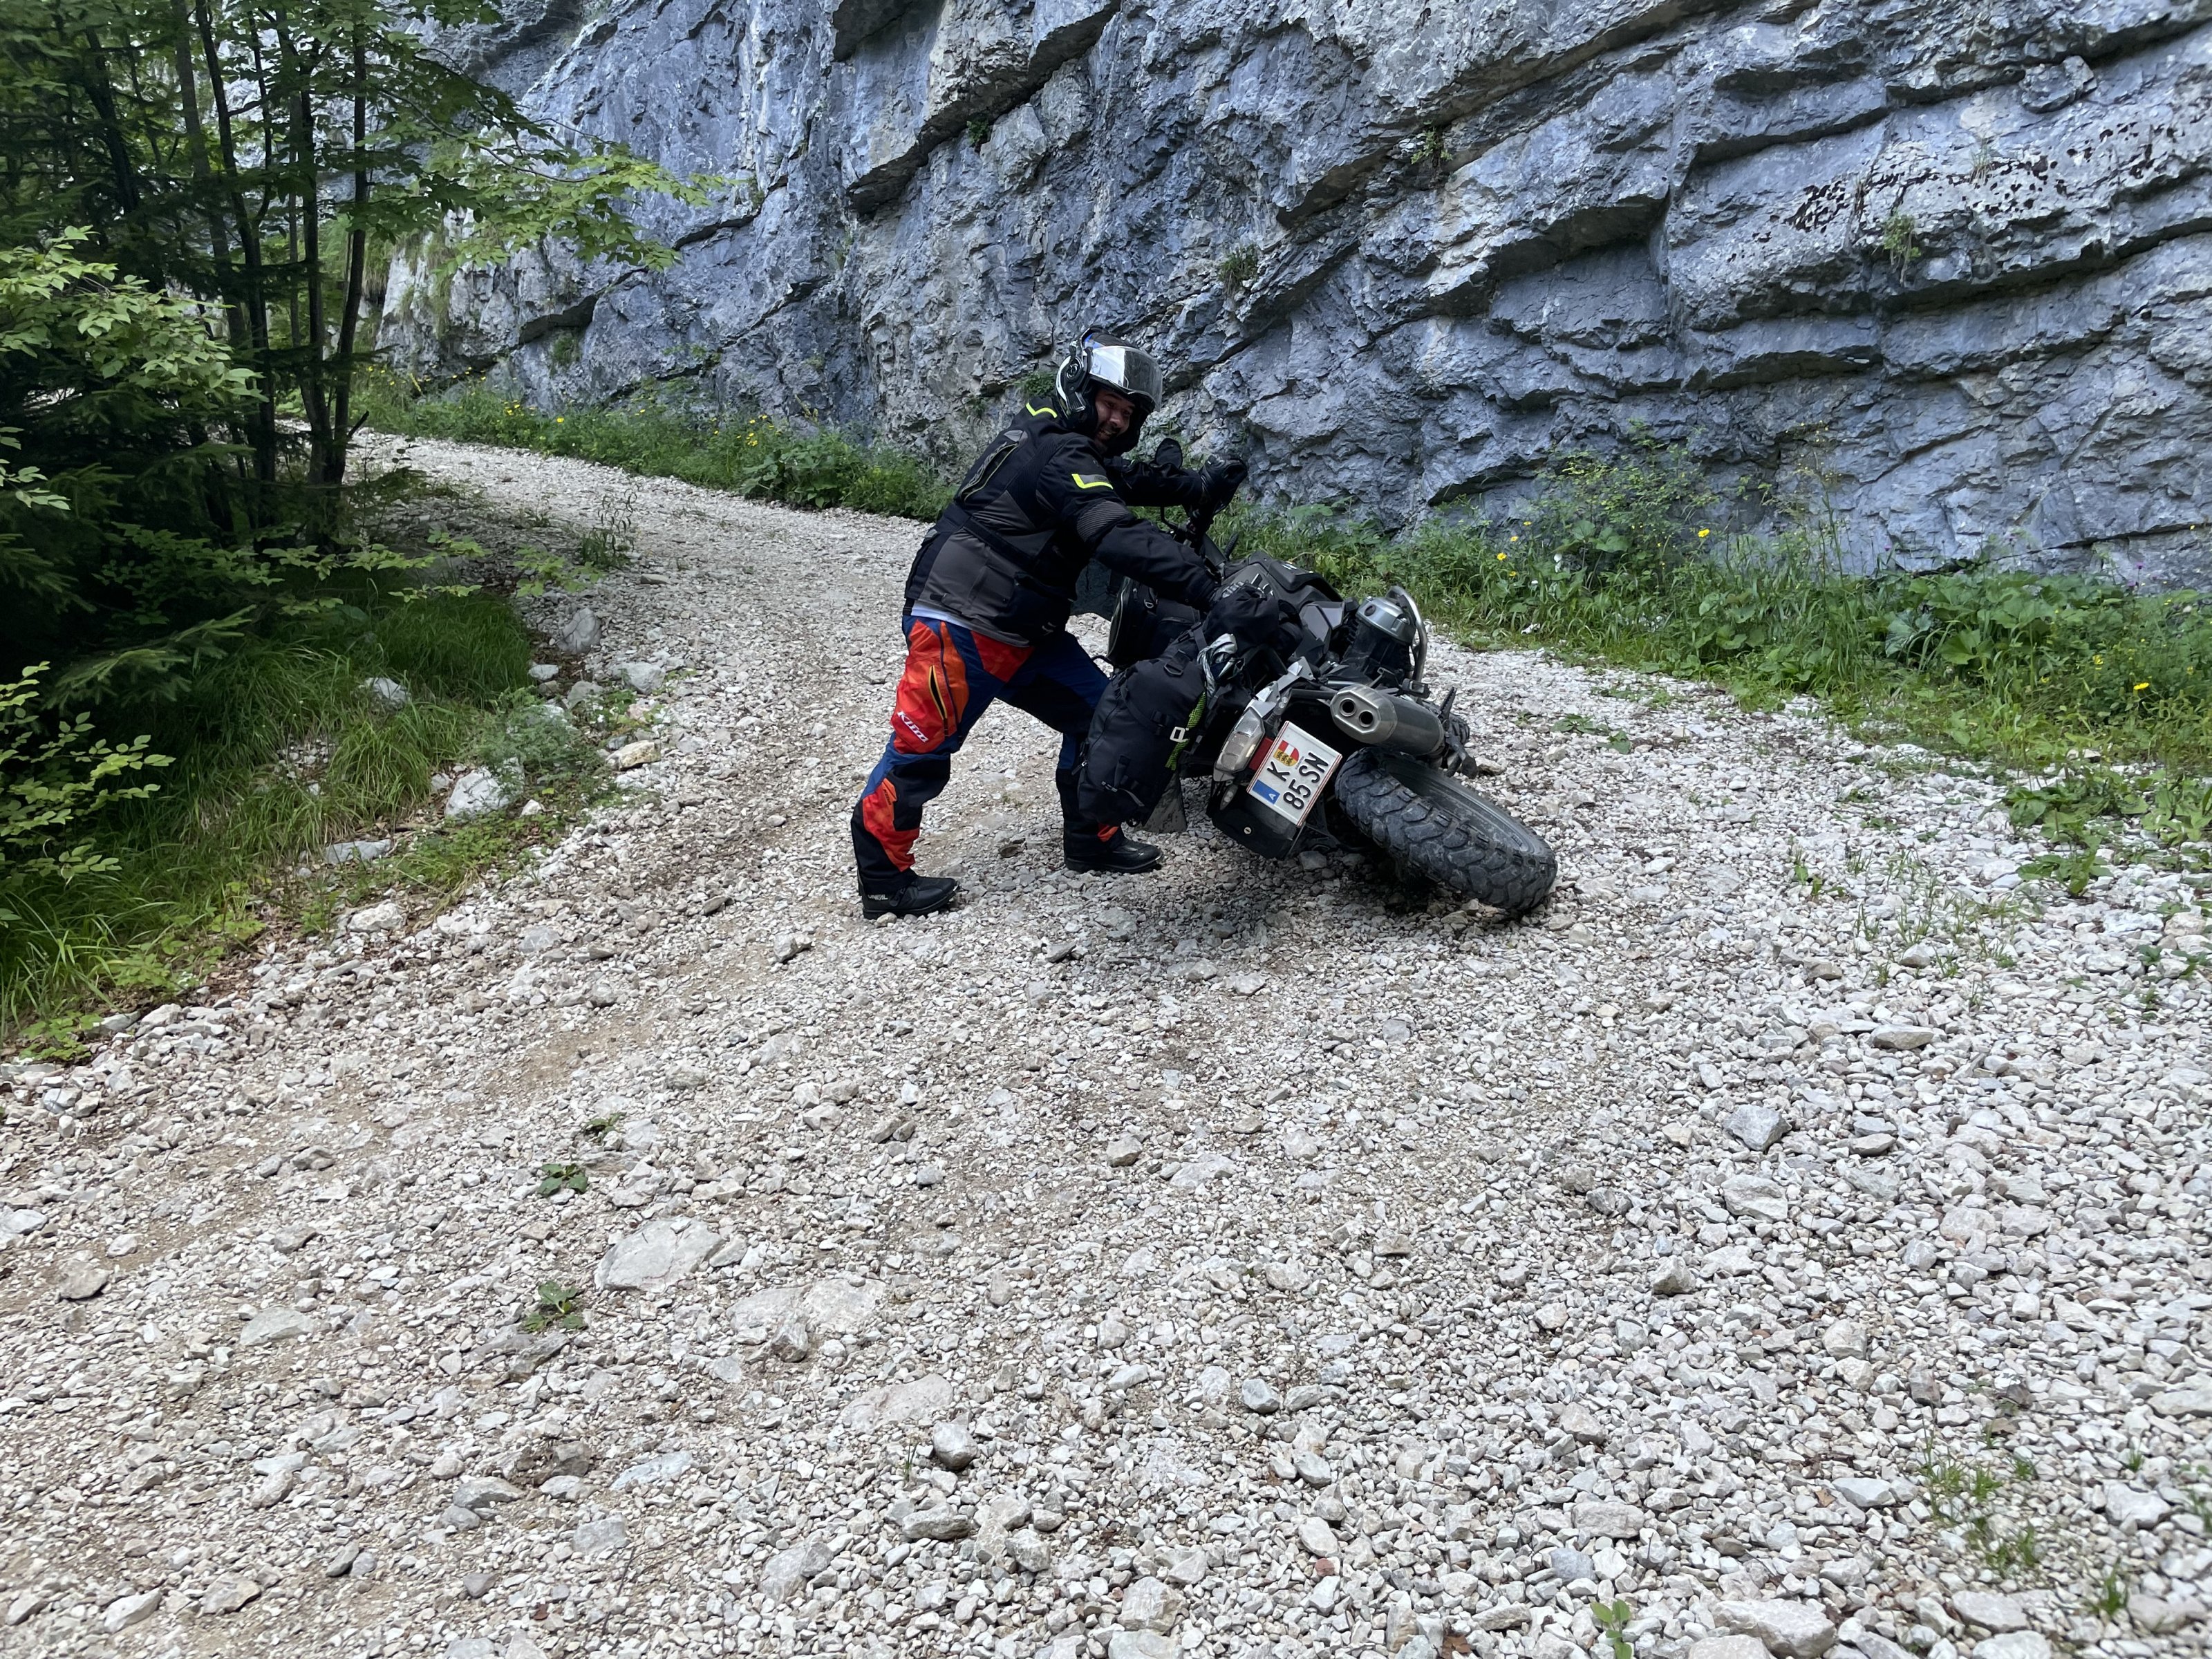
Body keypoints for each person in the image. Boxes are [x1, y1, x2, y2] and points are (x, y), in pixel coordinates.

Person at [851, 328, 1244, 918]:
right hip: (962, 622)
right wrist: (1212, 590)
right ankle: (885, 883)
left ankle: (1092, 840)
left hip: (1024, 629)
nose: (1116, 419)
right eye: (1109, 403)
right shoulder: (1058, 451)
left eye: (1128, 413)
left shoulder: (1062, 441)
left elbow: (1126, 479)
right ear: (1080, 391)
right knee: (921, 751)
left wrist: (1198, 486)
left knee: (1102, 716)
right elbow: (1114, 531)